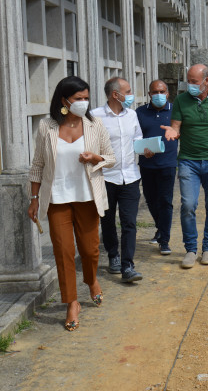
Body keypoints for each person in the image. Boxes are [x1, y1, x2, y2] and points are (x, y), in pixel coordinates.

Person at [28, 76, 116, 331]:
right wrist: (34, 199)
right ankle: (72, 302)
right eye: (78, 99)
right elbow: (37, 166)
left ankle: (91, 281)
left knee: (89, 250)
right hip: (57, 200)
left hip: (87, 198)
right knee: (64, 252)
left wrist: (94, 157)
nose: (83, 103)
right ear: (64, 100)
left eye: (86, 98)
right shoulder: (47, 126)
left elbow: (110, 158)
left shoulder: (94, 124)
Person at [161, 64, 208, 269]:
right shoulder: (181, 101)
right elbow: (176, 126)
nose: (190, 86)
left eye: (194, 82)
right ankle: (191, 250)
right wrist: (172, 132)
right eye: (188, 81)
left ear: (206, 81)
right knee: (188, 205)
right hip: (188, 162)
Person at [91, 77, 144, 283]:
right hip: (106, 177)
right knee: (108, 220)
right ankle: (113, 255)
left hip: (130, 176)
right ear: (116, 94)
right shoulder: (95, 116)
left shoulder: (131, 115)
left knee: (129, 222)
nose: (130, 95)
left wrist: (145, 148)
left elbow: (137, 138)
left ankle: (128, 265)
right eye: (128, 91)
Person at [136, 80, 178, 255]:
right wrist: (141, 149)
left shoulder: (175, 111)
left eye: (162, 91)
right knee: (151, 199)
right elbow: (135, 136)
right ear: (149, 94)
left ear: (167, 93)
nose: (159, 95)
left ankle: (164, 240)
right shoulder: (140, 113)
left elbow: (182, 131)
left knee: (165, 201)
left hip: (167, 164)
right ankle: (160, 228)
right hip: (147, 164)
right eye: (155, 92)